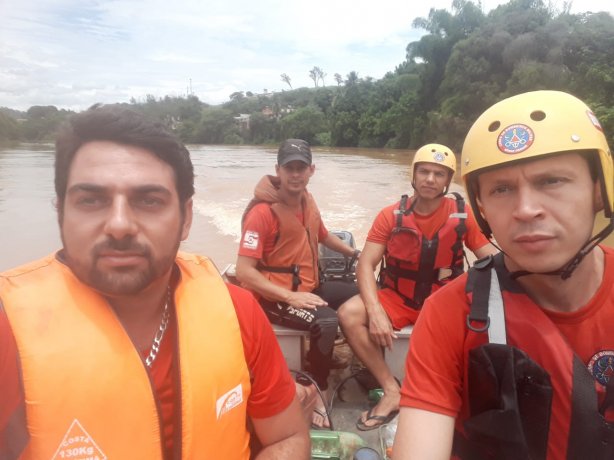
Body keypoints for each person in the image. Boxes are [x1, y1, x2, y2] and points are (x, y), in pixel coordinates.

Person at [0, 106, 309, 459]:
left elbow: (286, 438)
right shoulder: (8, 327)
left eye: (149, 201)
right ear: (60, 212)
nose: (119, 224)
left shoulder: (238, 313)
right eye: (91, 200)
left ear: (186, 217)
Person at [394, 90, 614, 459]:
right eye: (502, 189)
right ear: (482, 206)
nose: (526, 210)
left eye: (552, 181)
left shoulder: (459, 227)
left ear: (599, 189)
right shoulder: (449, 313)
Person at [337, 143, 496, 431]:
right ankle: (391, 389)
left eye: (439, 174)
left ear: (448, 180)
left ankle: (459, 393)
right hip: (398, 296)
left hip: (444, 297)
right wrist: (374, 310)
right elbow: (365, 264)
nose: (430, 179)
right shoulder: (390, 215)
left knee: (486, 326)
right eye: (424, 171)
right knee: (349, 314)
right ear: (413, 174)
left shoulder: (464, 214)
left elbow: (492, 260)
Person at [235, 139, 359, 428]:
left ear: (311, 170)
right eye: (288, 167)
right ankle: (318, 387)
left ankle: (350, 357)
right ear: (277, 169)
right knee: (326, 322)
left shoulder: (308, 199)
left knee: (368, 291)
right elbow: (243, 271)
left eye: (300, 167)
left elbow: (323, 235)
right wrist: (291, 298)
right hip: (274, 298)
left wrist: (357, 254)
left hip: (309, 287)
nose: (295, 174)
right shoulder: (261, 214)